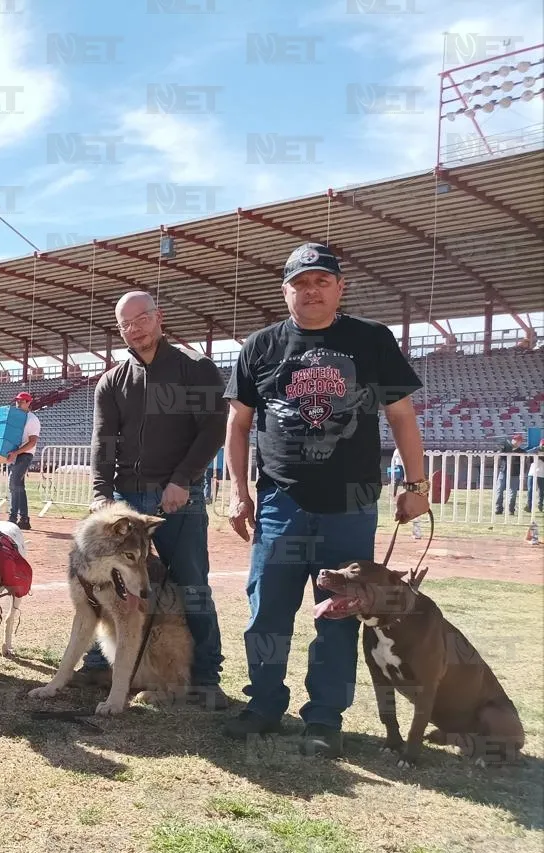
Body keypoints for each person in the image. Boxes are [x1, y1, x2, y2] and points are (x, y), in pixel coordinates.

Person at [221, 242, 430, 757]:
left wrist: (417, 487)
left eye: (320, 282)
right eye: (299, 282)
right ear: (284, 289)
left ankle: (324, 718)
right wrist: (238, 490)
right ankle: (264, 704)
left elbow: (402, 416)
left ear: (340, 288)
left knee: (337, 613)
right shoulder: (261, 345)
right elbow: (239, 423)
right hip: (280, 502)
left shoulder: (371, 340)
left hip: (350, 504)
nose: (309, 291)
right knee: (267, 612)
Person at [84, 291, 229, 710]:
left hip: (179, 497)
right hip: (126, 499)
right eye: (126, 324)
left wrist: (182, 479)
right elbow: (103, 441)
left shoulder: (195, 369)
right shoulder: (111, 381)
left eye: (141, 319)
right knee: (108, 583)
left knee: (191, 584)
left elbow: (213, 430)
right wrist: (101, 493)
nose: (135, 329)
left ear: (158, 318)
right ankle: (99, 664)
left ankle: (206, 677)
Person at [4, 391, 41, 530]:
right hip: (16, 454)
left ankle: (13, 517)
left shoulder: (31, 419)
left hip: (24, 455)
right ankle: (24, 519)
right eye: (17, 401)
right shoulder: (18, 419)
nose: (18, 403)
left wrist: (16, 452)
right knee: (18, 486)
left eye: (22, 401)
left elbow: (32, 442)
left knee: (13, 483)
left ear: (28, 403)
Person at [494, 432, 526, 515]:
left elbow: (524, 462)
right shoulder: (505, 447)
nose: (517, 442)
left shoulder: (522, 451)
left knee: (513, 492)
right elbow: (500, 452)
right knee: (499, 490)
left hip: (514, 473)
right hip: (503, 471)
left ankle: (511, 509)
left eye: (519, 441)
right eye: (516, 440)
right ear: (513, 440)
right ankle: (498, 508)